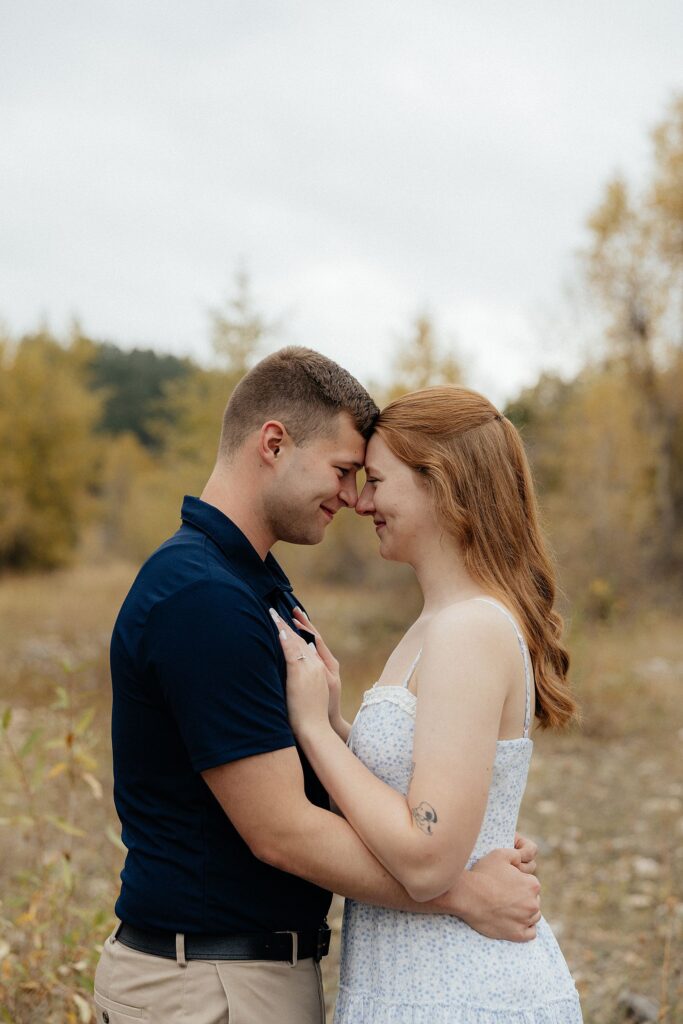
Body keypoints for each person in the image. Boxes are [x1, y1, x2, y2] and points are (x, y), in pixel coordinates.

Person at [94, 351, 543, 1024]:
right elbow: (282, 831)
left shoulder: (254, 585)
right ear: (273, 444)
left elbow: (415, 801)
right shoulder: (203, 597)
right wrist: (461, 891)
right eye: (341, 471)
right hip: (207, 984)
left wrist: (335, 733)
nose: (352, 497)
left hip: (246, 974)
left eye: (367, 479)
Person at [273, 384, 583, 1023]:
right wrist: (337, 719)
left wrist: (315, 732)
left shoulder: (468, 628)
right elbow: (419, 785)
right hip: (419, 978)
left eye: (378, 481)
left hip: (461, 989)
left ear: (439, 483)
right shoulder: (436, 623)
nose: (360, 502)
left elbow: (426, 857)